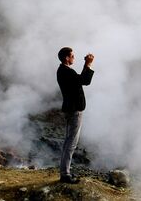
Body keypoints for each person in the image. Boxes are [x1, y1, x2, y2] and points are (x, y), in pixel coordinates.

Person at [56, 47, 95, 184]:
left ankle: (64, 172)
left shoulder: (63, 71)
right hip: (74, 112)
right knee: (71, 143)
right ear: (66, 58)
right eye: (72, 56)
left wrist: (86, 65)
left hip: (70, 110)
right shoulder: (66, 71)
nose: (73, 58)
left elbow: (80, 80)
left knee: (69, 141)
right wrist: (88, 64)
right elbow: (84, 81)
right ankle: (65, 174)